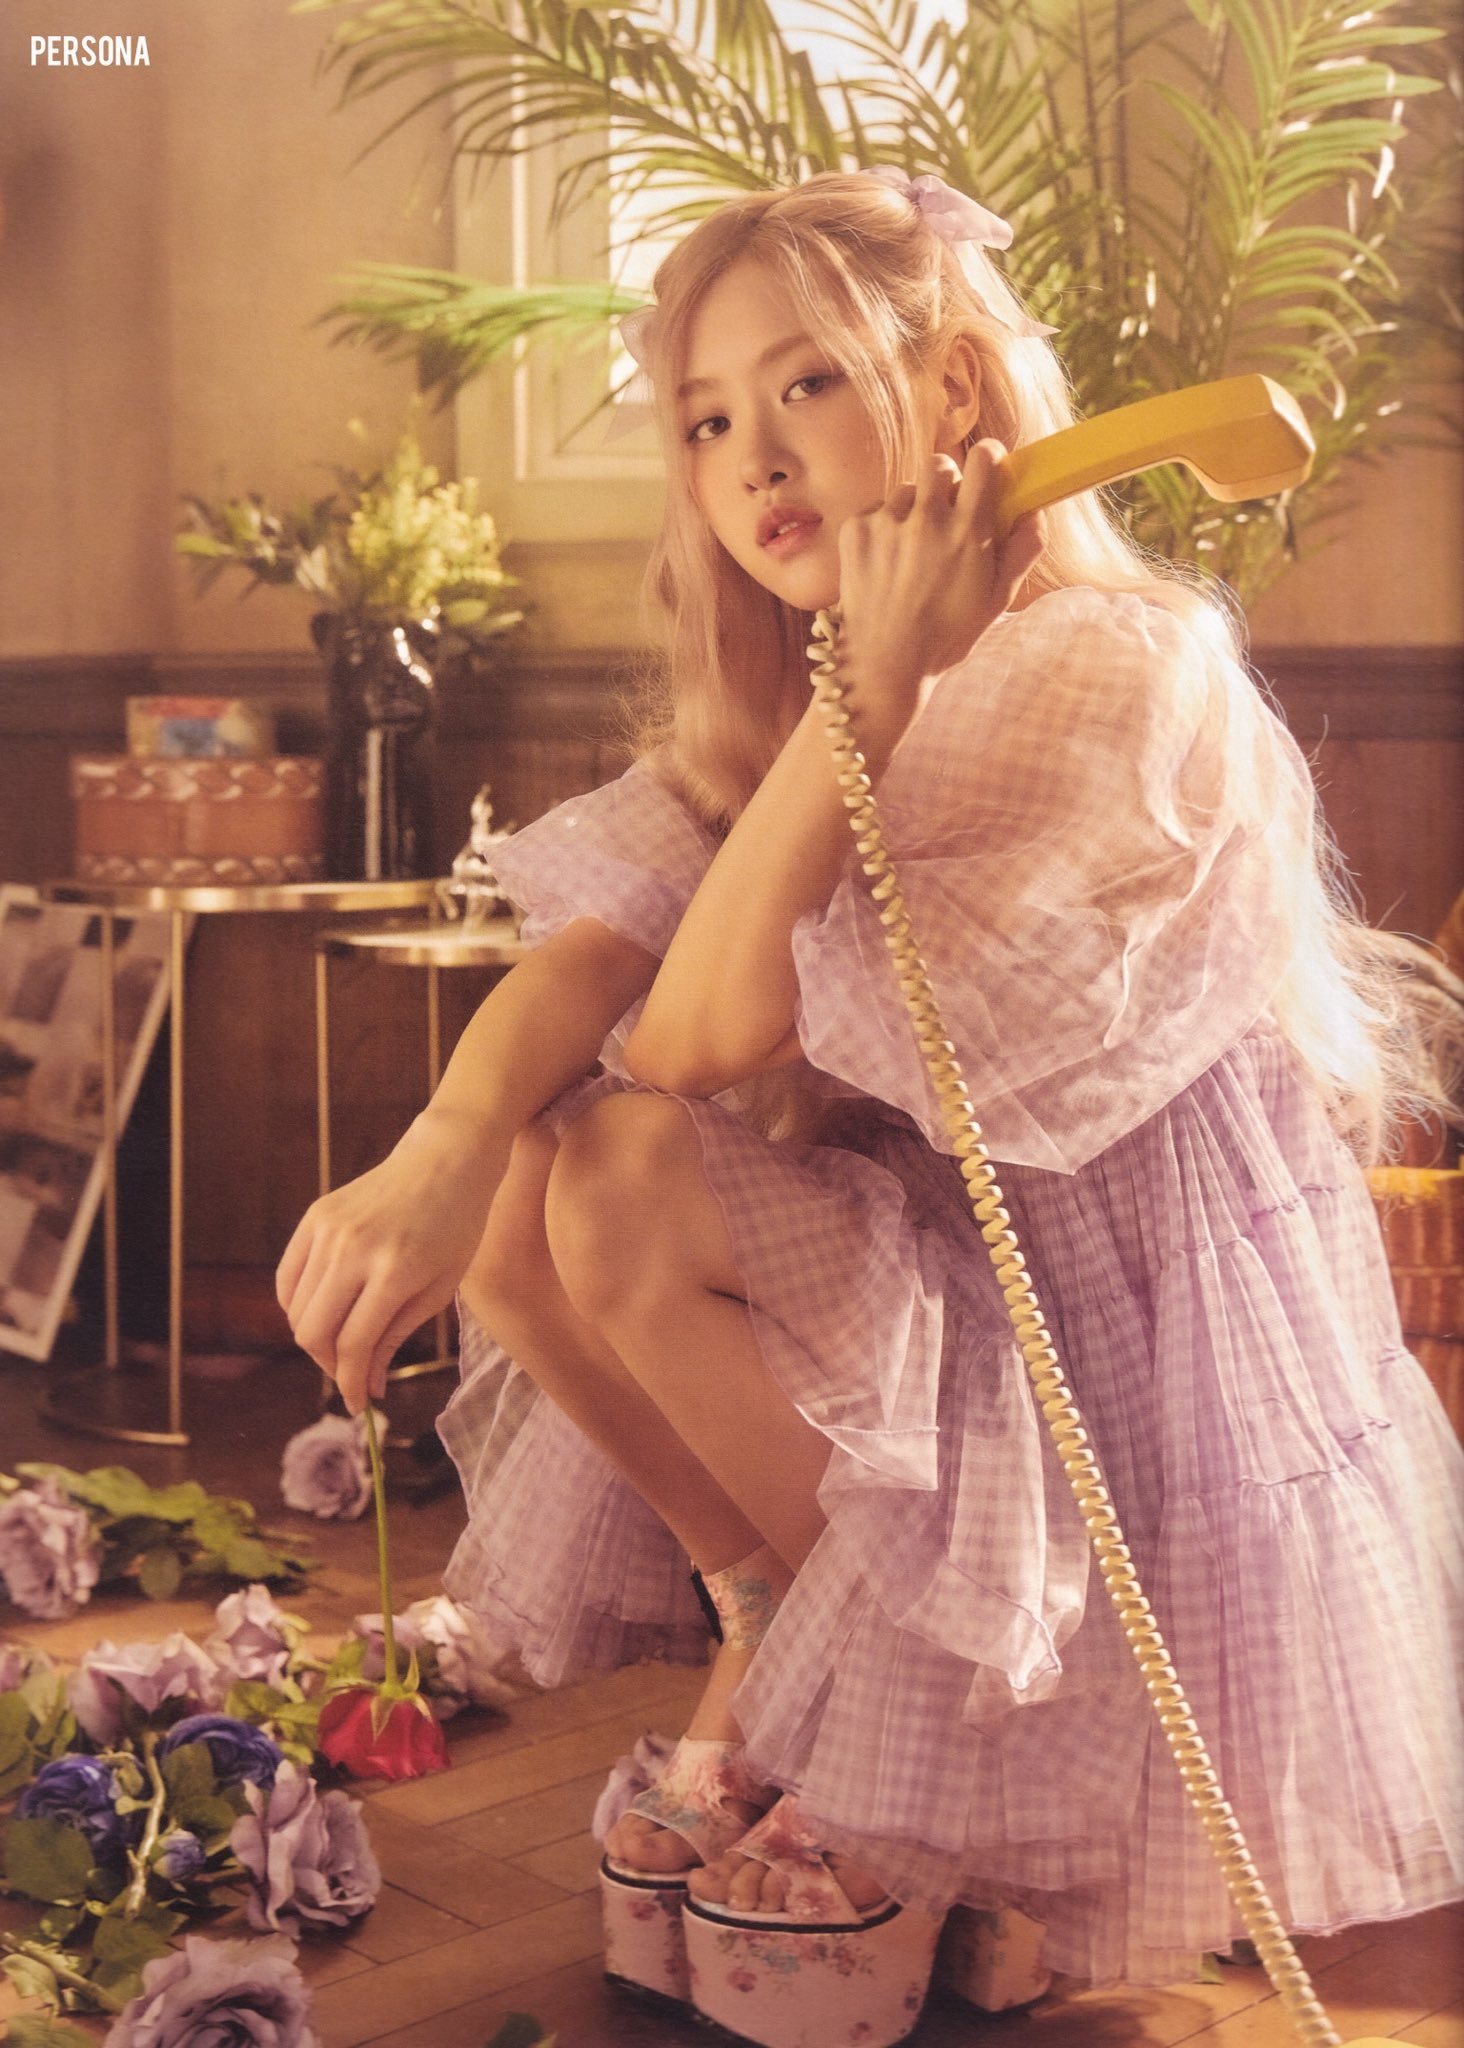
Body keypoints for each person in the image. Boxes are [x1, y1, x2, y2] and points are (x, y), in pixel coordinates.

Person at [277, 170, 1464, 2036]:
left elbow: (695, 1039)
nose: (754, 457)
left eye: (808, 383)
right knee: (513, 1177)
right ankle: (784, 1640)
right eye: (704, 421)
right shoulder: (811, 674)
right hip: (949, 1303)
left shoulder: (1111, 669)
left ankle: (955, 1792)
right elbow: (604, 952)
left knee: (622, 1170)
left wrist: (879, 694)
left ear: (960, 397)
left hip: (1107, 1353)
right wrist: (436, 1147)